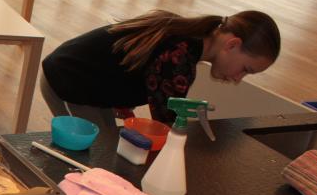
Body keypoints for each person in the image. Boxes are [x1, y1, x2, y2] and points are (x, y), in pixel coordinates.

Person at [40, 10, 281, 129]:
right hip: (67, 82)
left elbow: (126, 61)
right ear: (232, 44)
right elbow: (168, 123)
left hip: (80, 80)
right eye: (245, 69)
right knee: (93, 153)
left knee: (106, 147)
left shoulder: (189, 38)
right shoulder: (180, 55)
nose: (239, 78)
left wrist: (121, 100)